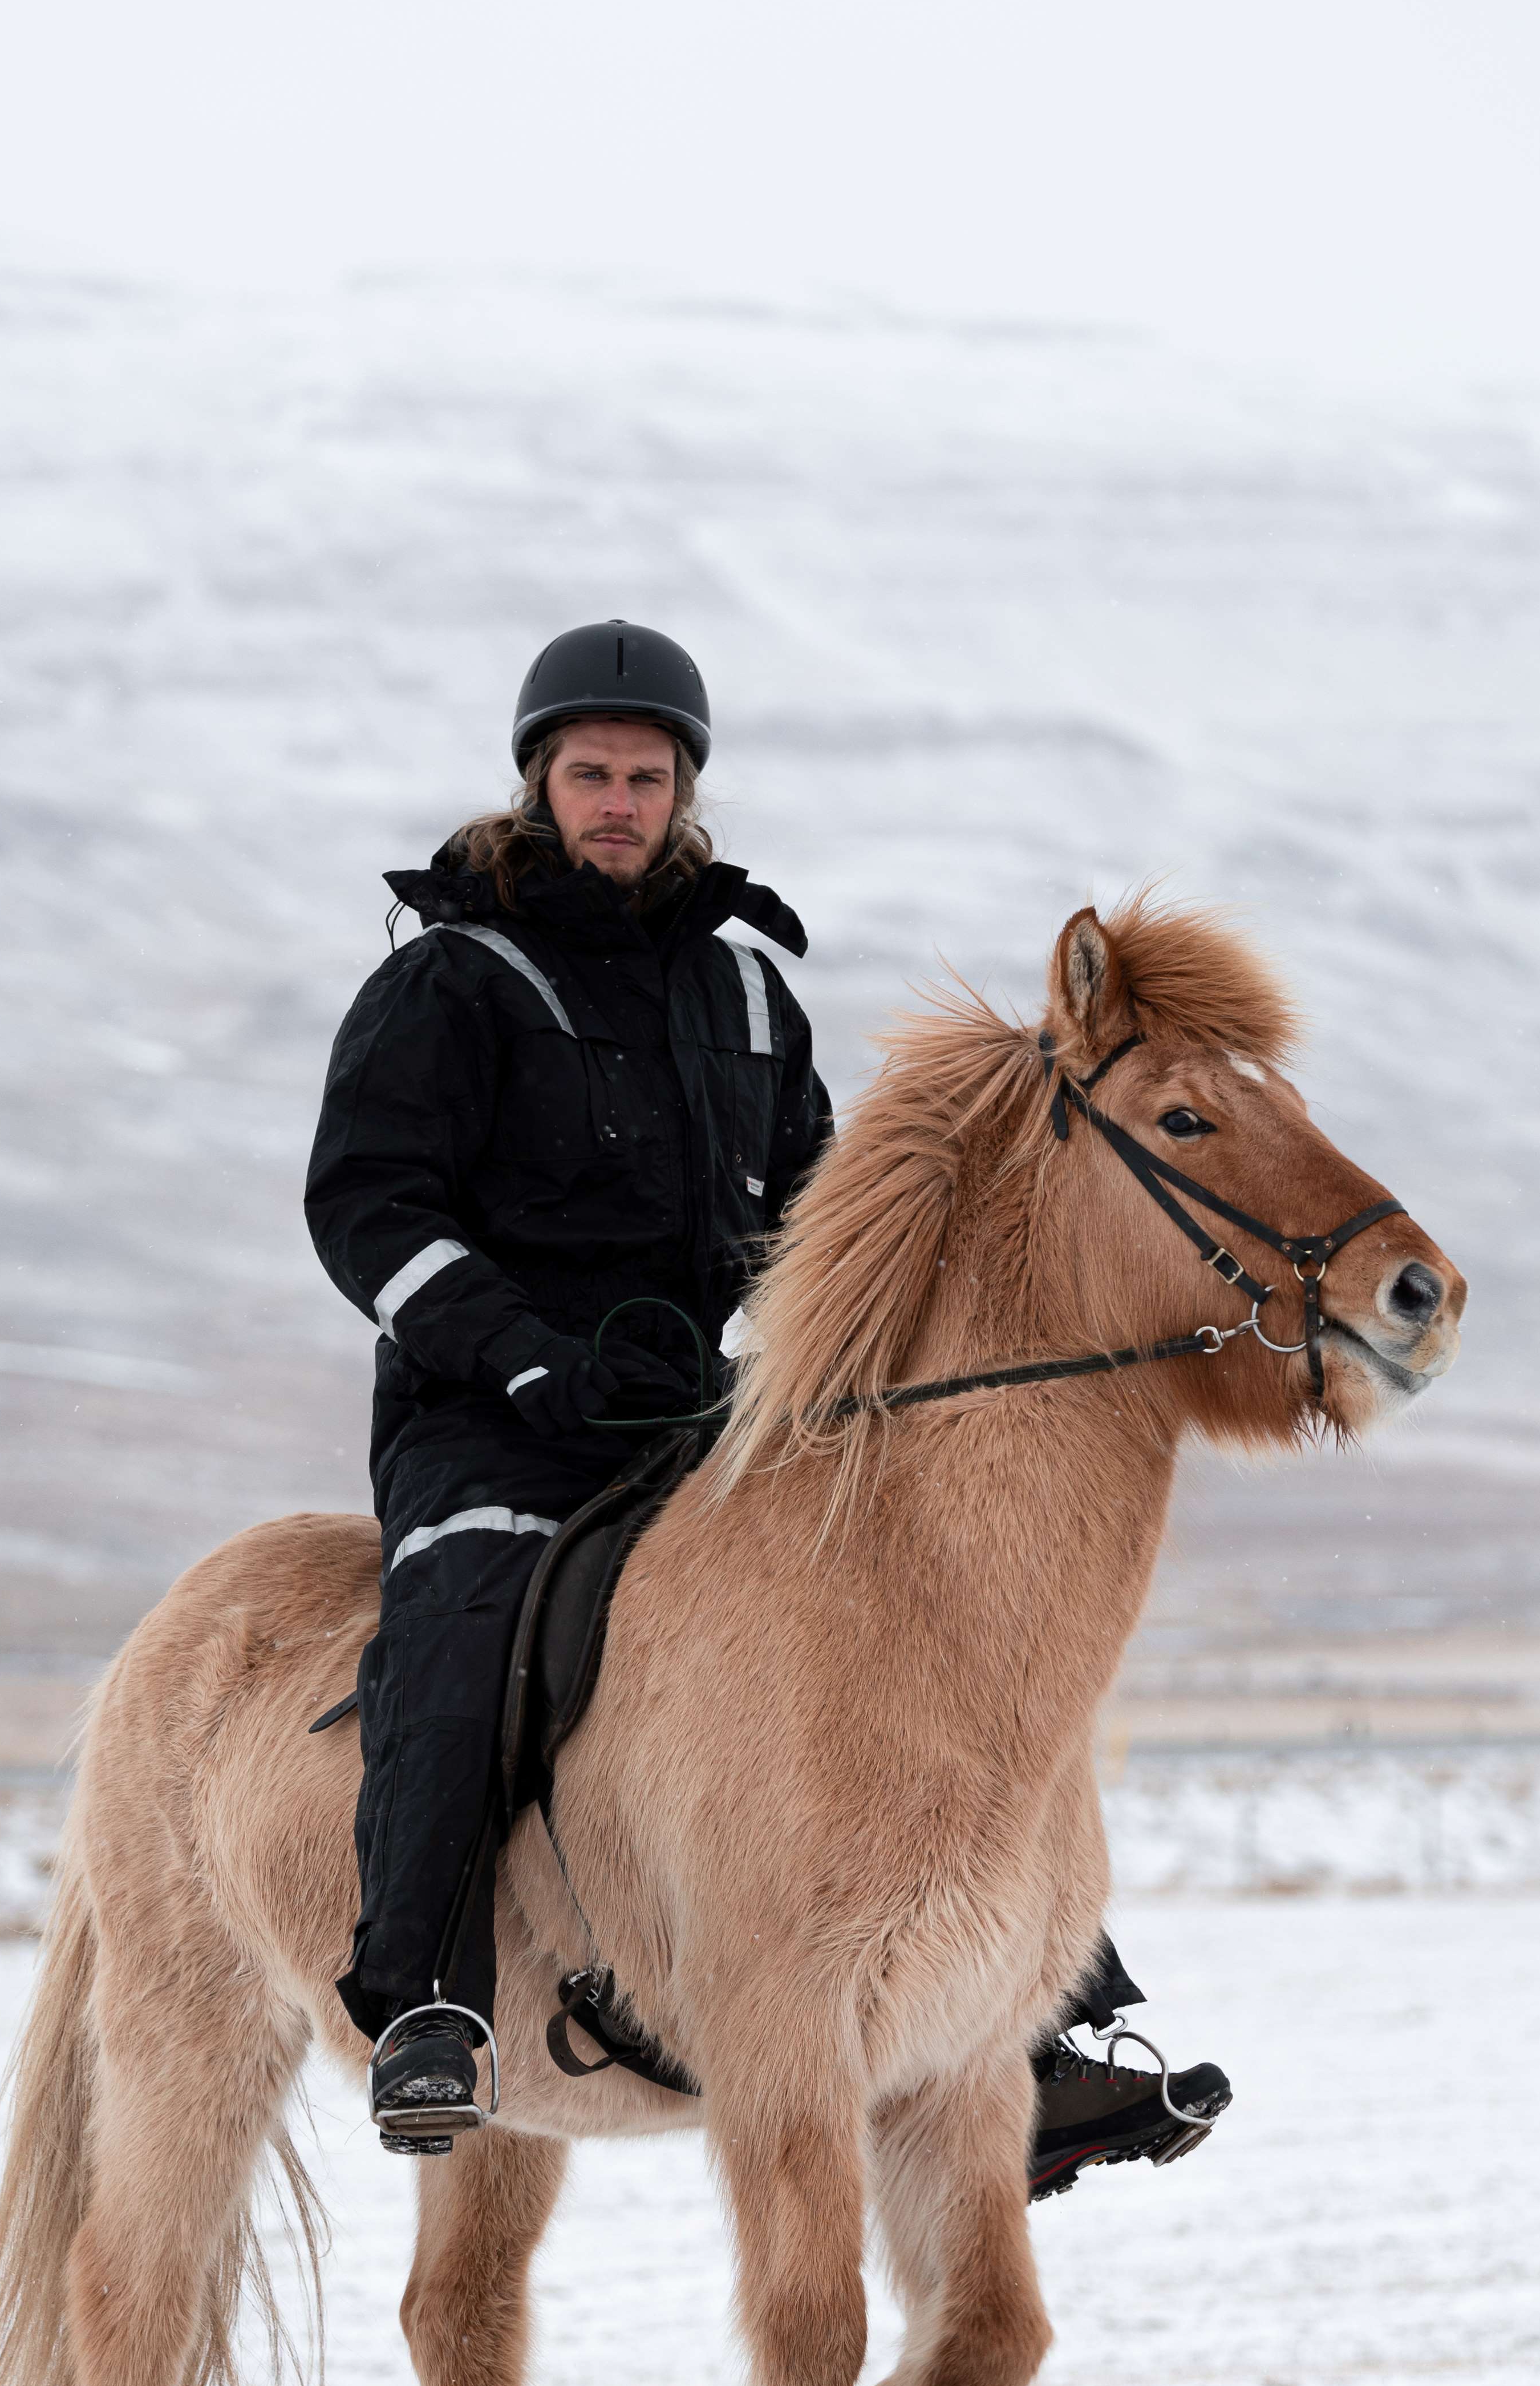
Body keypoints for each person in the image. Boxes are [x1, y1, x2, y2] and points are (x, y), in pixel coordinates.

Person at [305, 622, 1229, 2178]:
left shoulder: (743, 990)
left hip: (692, 1409)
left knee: (938, 1635)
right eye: (590, 773)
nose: (618, 800)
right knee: (460, 1627)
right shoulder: (450, 983)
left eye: (645, 776)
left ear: (685, 793)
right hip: (495, 1414)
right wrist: (529, 1352)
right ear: (540, 782)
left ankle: (1042, 2018)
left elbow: (813, 1211)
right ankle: (429, 2007)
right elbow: (369, 1215)